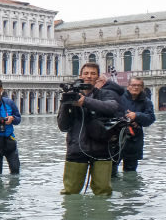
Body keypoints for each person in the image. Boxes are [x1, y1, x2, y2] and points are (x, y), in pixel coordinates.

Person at [57, 62, 122, 195]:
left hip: (102, 149)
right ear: (80, 75)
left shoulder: (106, 94)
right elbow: (63, 126)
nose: (89, 76)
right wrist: (66, 104)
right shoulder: (71, 95)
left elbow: (112, 107)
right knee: (70, 191)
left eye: (93, 73)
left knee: (103, 192)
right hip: (76, 149)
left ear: (98, 77)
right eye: (86, 73)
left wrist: (85, 101)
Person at [112, 77, 156, 175]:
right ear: (128, 87)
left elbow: (151, 119)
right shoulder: (119, 98)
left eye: (139, 85)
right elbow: (112, 112)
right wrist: (125, 118)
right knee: (111, 171)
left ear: (142, 88)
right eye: (133, 85)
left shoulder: (146, 102)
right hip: (117, 140)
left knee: (130, 173)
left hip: (134, 141)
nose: (136, 88)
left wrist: (137, 116)